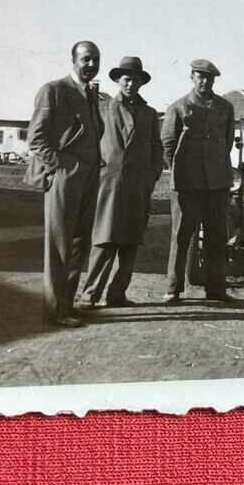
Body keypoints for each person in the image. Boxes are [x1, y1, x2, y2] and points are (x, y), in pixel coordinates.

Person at [26, 41, 107, 328]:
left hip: (88, 178)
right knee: (59, 245)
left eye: (95, 60)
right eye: (86, 59)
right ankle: (54, 310)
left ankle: (66, 304)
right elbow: (36, 138)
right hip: (64, 177)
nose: (91, 65)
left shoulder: (90, 94)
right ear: (73, 60)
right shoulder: (54, 90)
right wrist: (61, 166)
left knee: (78, 244)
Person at [79, 56, 163, 309]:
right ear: (118, 80)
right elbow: (89, 143)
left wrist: (151, 175)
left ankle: (117, 293)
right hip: (109, 186)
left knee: (130, 242)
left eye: (135, 80)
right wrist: (98, 171)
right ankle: (90, 295)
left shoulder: (149, 114)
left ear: (141, 83)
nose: (131, 84)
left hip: (137, 187)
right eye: (126, 79)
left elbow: (156, 149)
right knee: (105, 240)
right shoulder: (102, 108)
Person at [160, 59, 236, 303]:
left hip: (217, 184)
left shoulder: (225, 108)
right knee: (181, 236)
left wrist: (215, 169)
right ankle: (173, 289)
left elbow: (227, 141)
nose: (205, 81)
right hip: (186, 185)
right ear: (191, 77)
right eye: (200, 76)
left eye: (209, 77)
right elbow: (168, 145)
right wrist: (182, 172)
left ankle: (216, 289)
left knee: (217, 238)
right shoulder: (178, 107)